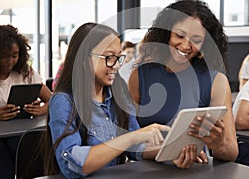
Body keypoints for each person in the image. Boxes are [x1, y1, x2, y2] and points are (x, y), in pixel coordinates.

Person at [42, 23, 201, 178]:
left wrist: (172, 151)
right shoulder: (63, 101)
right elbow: (72, 165)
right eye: (109, 57)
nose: (116, 66)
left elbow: (135, 147)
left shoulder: (119, 93)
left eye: (119, 57)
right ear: (83, 59)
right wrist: (132, 137)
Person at [128, 0, 238, 162]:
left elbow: (231, 151)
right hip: (147, 170)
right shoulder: (140, 75)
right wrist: (169, 151)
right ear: (166, 33)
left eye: (196, 40)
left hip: (194, 170)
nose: (186, 46)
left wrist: (218, 144)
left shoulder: (216, 81)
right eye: (180, 35)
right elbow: (126, 140)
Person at [0, 25, 52, 179]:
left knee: (33, 158)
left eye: (14, 55)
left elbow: (53, 100)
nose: (10, 61)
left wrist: (41, 110)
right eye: (4, 55)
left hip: (21, 132)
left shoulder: (25, 72)